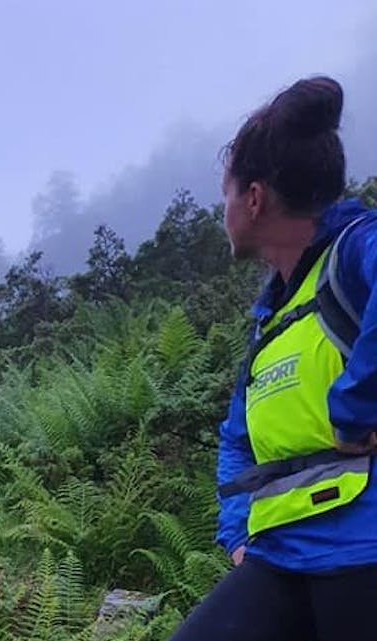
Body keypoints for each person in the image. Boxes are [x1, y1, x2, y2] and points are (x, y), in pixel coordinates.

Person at [170, 77, 377, 641]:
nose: (225, 210)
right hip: (279, 558)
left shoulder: (355, 251)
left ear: (254, 198)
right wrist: (237, 531)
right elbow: (238, 435)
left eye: (226, 195)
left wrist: (354, 411)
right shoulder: (272, 316)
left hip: (362, 545)